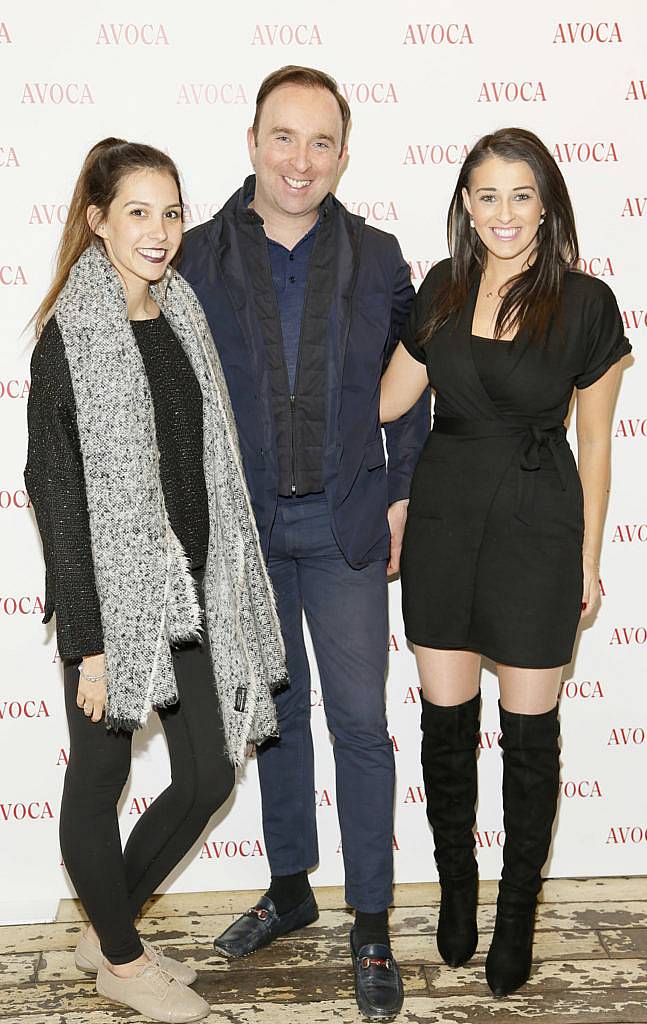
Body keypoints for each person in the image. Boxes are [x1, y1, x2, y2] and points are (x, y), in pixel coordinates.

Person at [178, 65, 429, 1019]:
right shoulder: (196, 254)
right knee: (273, 716)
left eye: (321, 142)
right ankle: (290, 889)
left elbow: (415, 385)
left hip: (346, 523)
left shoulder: (378, 255)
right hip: (243, 531)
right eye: (284, 137)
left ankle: (370, 920)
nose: (301, 159)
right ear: (251, 143)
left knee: (360, 725)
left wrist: (401, 492)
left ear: (343, 154)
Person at [25, 138, 287, 1024]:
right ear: (96, 221)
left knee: (211, 773)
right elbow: (55, 498)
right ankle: (124, 965)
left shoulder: (184, 314)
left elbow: (205, 463)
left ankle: (109, 926)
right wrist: (91, 646)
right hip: (113, 603)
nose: (160, 230)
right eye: (138, 211)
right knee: (96, 785)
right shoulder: (67, 340)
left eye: (171, 212)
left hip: (196, 590)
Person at [380, 127, 631, 998]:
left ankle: (517, 910)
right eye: (485, 196)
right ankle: (457, 889)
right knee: (445, 732)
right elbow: (390, 397)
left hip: (536, 524)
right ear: (465, 205)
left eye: (521, 195)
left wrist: (589, 561)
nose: (504, 213)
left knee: (530, 740)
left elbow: (594, 445)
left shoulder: (587, 303)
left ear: (549, 203)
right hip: (446, 517)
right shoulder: (443, 290)